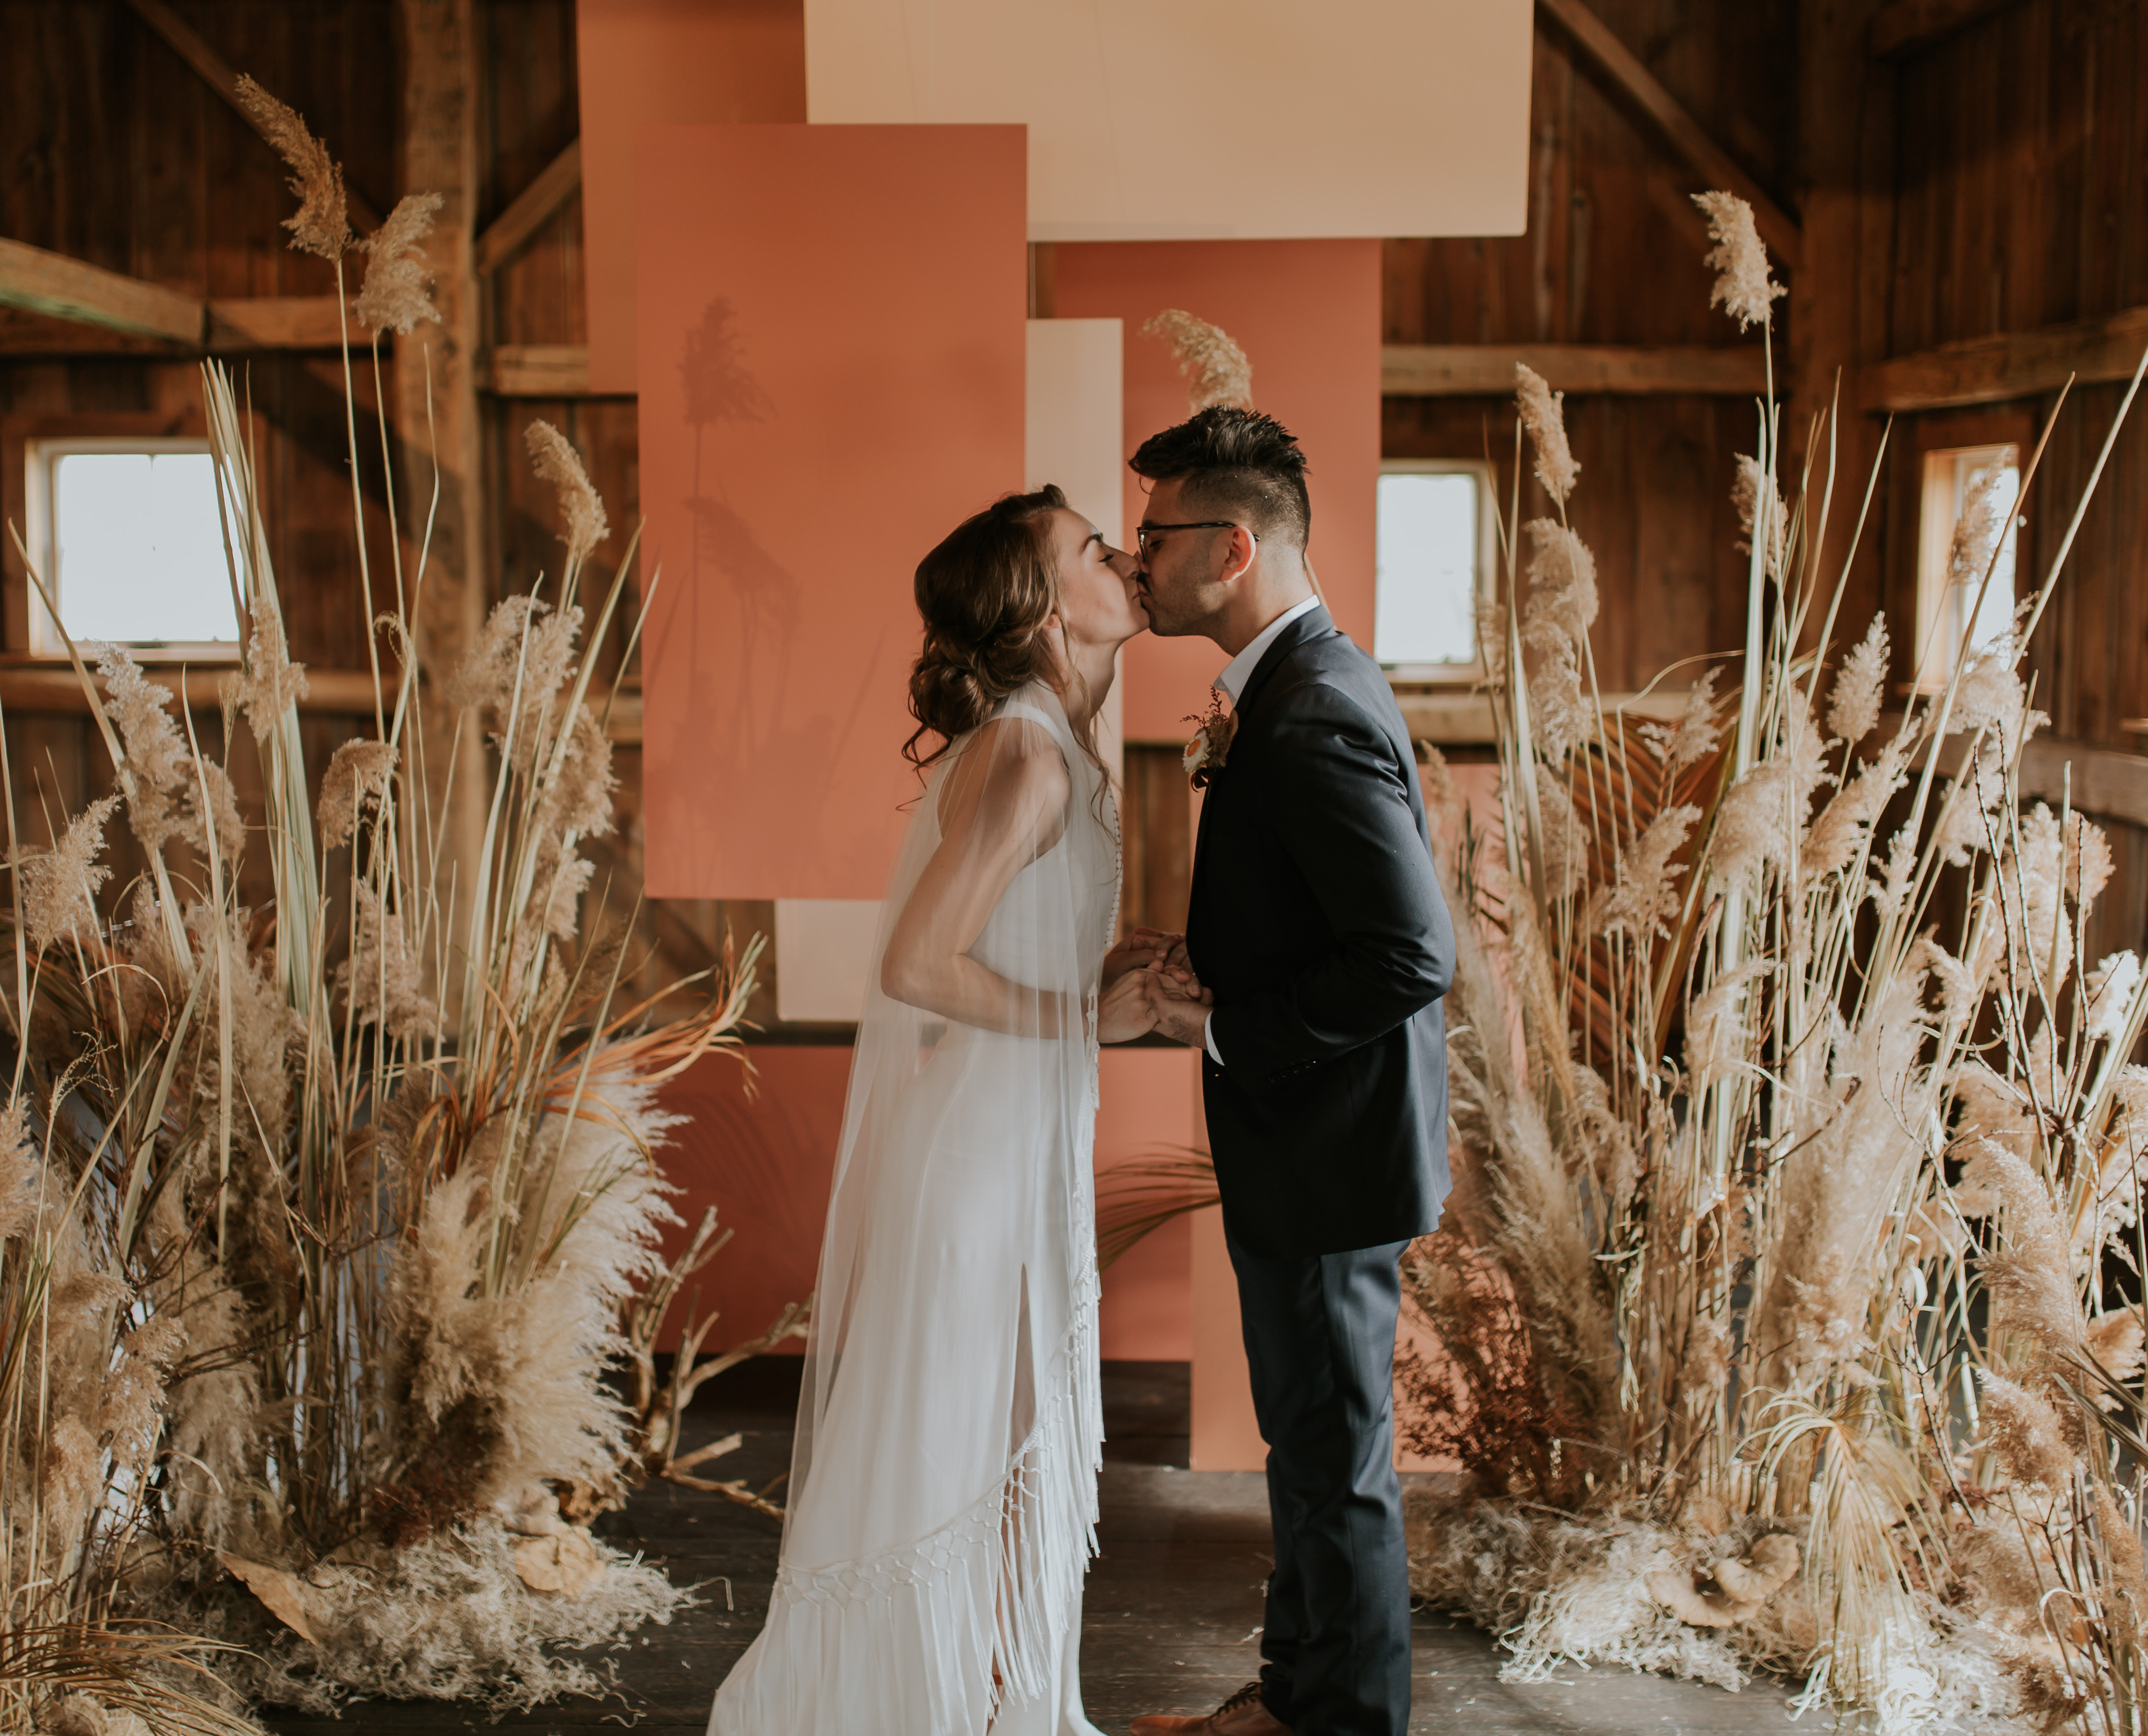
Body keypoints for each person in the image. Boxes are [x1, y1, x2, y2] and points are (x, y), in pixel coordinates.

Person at [708, 485, 1190, 1736]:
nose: (1126, 556)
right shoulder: (1029, 753)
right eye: (1094, 549)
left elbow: (991, 963)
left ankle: (984, 1705)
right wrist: (1089, 1019)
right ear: (1038, 609)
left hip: (1008, 1146)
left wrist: (1096, 980)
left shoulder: (1051, 745)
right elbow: (918, 967)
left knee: (1007, 1448)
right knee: (945, 1460)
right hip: (974, 1164)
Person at [1125, 410, 1455, 1736]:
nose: (1134, 561)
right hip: (1311, 1147)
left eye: (1155, 538)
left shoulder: (1309, 709)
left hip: (1325, 1154)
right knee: (1312, 1457)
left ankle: (1341, 1722)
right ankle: (1290, 1702)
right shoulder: (1290, 684)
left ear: (1230, 545)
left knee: (1337, 1467)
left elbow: (1405, 952)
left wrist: (1225, 1030)